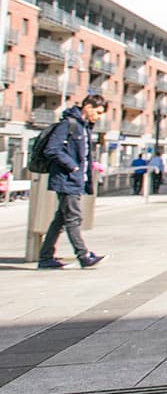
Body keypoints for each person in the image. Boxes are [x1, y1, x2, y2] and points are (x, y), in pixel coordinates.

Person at [38, 94, 108, 270]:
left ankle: (46, 257)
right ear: (88, 107)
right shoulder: (68, 125)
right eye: (98, 112)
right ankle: (83, 255)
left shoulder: (84, 127)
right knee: (73, 218)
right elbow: (51, 149)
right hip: (66, 179)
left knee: (60, 220)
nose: (99, 117)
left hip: (76, 180)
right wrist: (73, 166)